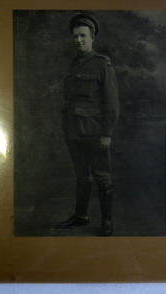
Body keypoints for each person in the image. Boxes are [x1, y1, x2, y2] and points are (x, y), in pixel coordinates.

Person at [58, 13, 120, 236]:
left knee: (102, 176)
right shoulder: (75, 64)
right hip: (74, 133)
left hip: (95, 133)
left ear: (92, 38)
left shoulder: (102, 65)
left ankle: (107, 222)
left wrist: (106, 133)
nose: (78, 40)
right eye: (75, 36)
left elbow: (112, 104)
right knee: (82, 176)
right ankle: (81, 217)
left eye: (83, 36)